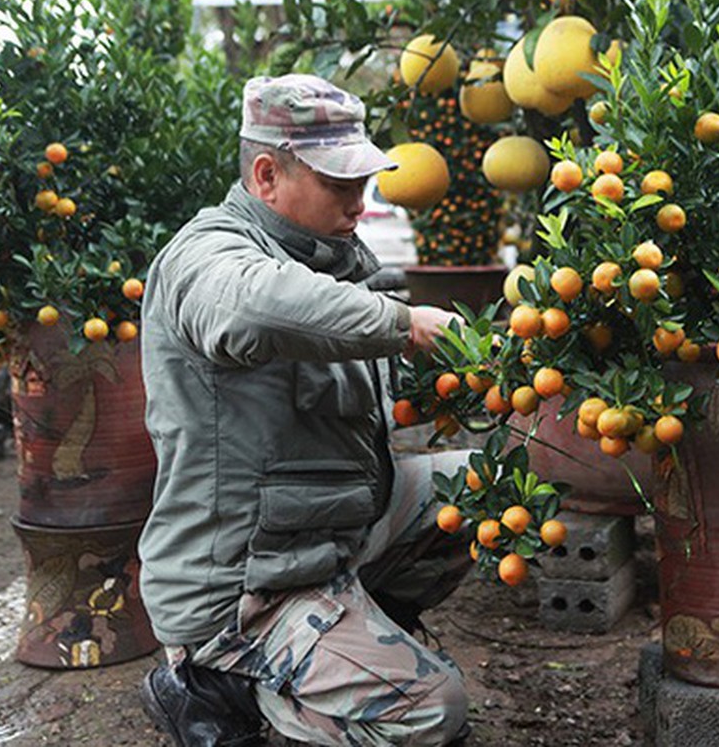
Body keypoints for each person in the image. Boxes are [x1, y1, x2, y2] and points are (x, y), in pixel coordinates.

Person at [137, 74, 473, 747]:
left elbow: (362, 398)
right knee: (435, 710)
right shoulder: (208, 255)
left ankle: (354, 636)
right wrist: (403, 323)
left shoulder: (334, 261)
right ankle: (232, 689)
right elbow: (250, 308)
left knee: (477, 485)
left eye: (362, 184)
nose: (360, 203)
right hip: (243, 586)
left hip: (318, 545)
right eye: (339, 186)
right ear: (266, 174)